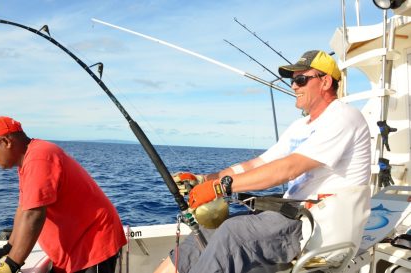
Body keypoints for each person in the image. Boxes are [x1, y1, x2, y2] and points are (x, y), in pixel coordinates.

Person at [154, 50, 371, 273]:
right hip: (291, 214)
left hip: (316, 226)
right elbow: (258, 163)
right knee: (209, 230)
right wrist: (205, 179)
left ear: (325, 82)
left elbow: (288, 168)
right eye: (293, 81)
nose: (293, 86)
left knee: (232, 233)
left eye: (300, 79)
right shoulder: (301, 126)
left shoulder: (343, 116)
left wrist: (219, 187)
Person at [0, 116, 126, 273]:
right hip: (73, 248)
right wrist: (9, 246)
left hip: (93, 245)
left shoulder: (39, 157)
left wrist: (11, 263)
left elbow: (34, 216)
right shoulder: (28, 160)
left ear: (6, 142)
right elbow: (24, 209)